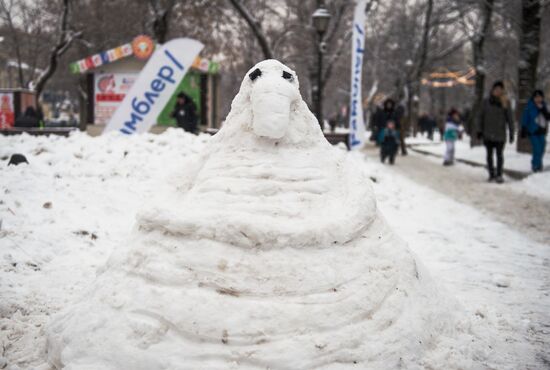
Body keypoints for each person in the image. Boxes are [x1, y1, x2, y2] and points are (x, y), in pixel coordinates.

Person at [476, 81, 514, 183]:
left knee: (499, 155)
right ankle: (491, 173)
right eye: (496, 89)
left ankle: (499, 175)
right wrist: (479, 130)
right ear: (492, 90)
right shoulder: (486, 102)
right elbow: (480, 117)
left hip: (500, 134)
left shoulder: (505, 102)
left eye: (500, 90)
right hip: (487, 133)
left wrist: (511, 132)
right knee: (489, 155)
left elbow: (510, 119)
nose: (498, 91)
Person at [521, 90, 549, 172]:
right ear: (533, 98)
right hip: (533, 131)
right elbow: (525, 118)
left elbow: (548, 117)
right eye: (536, 97)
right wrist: (524, 128)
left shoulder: (544, 106)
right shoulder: (529, 106)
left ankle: (539, 164)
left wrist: (543, 109)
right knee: (536, 148)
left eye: (540, 97)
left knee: (542, 148)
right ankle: (535, 165)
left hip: (542, 131)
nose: (538, 99)